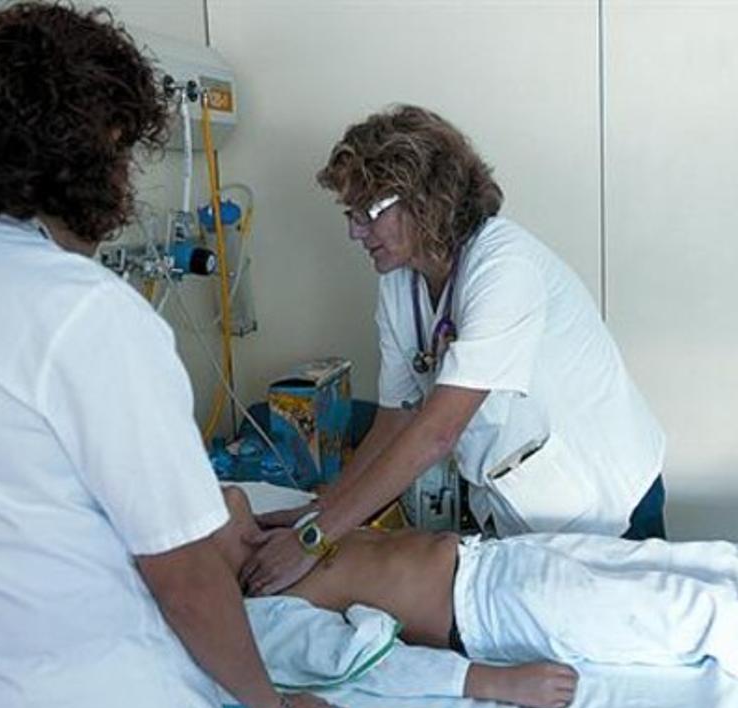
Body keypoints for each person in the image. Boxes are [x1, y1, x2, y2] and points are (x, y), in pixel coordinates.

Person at [0, 5, 349, 708]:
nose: (126, 176)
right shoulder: (82, 309)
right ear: (90, 147)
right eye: (124, 150)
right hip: (101, 698)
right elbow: (187, 578)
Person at [242, 104, 668, 595]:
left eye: (366, 213)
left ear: (424, 200)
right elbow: (395, 422)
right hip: (523, 501)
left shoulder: (506, 267)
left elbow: (437, 431)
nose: (354, 232)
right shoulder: (400, 281)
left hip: (607, 501)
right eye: (350, 213)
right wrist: (322, 511)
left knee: (624, 643)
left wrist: (313, 540)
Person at [216, 486, 738, 708]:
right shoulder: (252, 612)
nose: (224, 499)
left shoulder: (279, 536)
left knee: (712, 565)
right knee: (710, 617)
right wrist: (489, 684)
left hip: (503, 559)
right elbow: (359, 661)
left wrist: (311, 526)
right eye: (209, 508)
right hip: (498, 616)